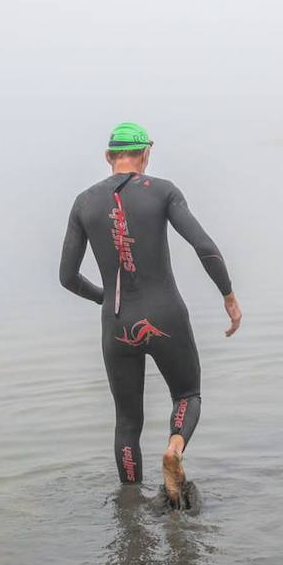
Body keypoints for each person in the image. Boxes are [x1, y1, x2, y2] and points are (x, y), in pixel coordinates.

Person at [59, 121, 242, 506]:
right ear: (146, 153)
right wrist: (228, 295)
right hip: (166, 316)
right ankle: (174, 449)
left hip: (116, 322)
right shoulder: (163, 191)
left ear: (109, 156)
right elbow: (204, 246)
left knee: (127, 423)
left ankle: (130, 510)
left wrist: (106, 299)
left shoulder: (83, 202)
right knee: (187, 393)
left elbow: (67, 277)